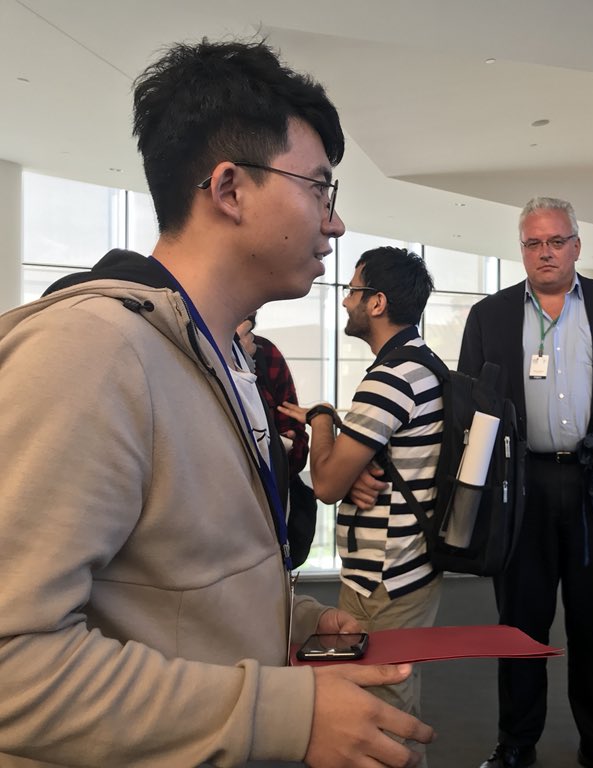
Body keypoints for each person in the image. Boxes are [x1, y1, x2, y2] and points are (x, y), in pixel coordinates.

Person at [0, 39, 432, 767]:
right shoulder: (91, 351)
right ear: (230, 189)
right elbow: (13, 661)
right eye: (319, 189)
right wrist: (283, 715)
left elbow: (164, 582)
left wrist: (287, 620)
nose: (333, 222)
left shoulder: (219, 358)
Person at [458, 197, 593, 768]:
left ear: (577, 246)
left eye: (556, 241)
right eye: (533, 243)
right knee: (518, 626)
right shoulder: (489, 316)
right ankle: (515, 744)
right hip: (519, 491)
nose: (545, 252)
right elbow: (469, 407)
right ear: (521, 250)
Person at [279, 247, 443, 763]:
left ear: (377, 302)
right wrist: (355, 469)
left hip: (382, 578)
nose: (346, 300)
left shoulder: (392, 376)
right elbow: (384, 462)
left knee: (379, 713)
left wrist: (322, 418)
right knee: (398, 699)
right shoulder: (423, 363)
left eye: (352, 290)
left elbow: (327, 482)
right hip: (412, 568)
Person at [237, 313, 320, 567]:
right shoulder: (185, 351)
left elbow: (298, 448)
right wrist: (233, 365)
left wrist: (282, 449)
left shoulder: (265, 354)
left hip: (270, 532)